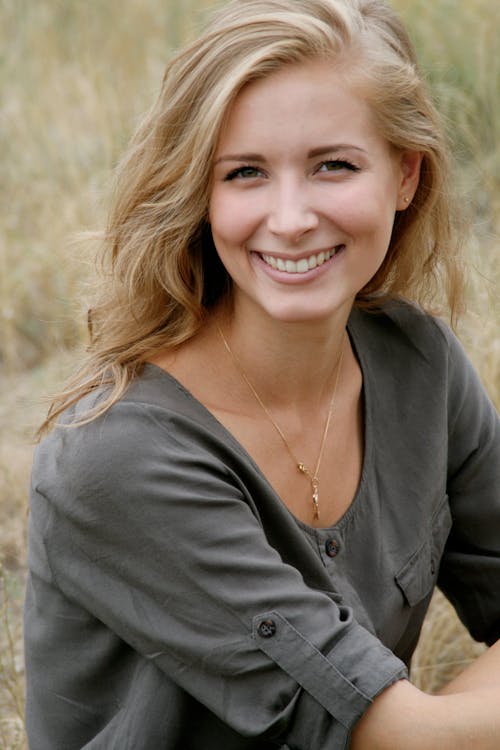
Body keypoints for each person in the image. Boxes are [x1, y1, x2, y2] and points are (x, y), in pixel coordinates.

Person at [24, 0, 500, 747]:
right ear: (200, 195)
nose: (289, 218)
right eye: (245, 173)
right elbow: (399, 736)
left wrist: (442, 723)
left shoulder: (420, 365)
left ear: (405, 174)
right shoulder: (117, 459)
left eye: (332, 165)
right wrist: (434, 725)